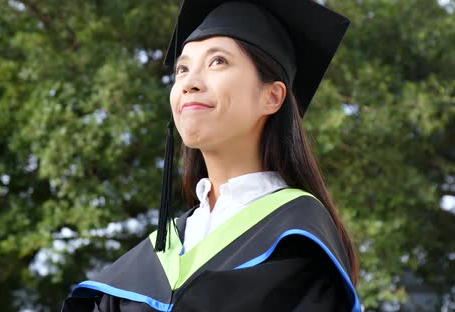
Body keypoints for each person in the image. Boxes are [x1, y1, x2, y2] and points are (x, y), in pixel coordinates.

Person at [62, 0, 361, 311]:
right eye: (182, 68)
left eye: (218, 61)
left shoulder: (298, 239)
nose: (189, 83)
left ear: (271, 97)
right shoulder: (155, 254)